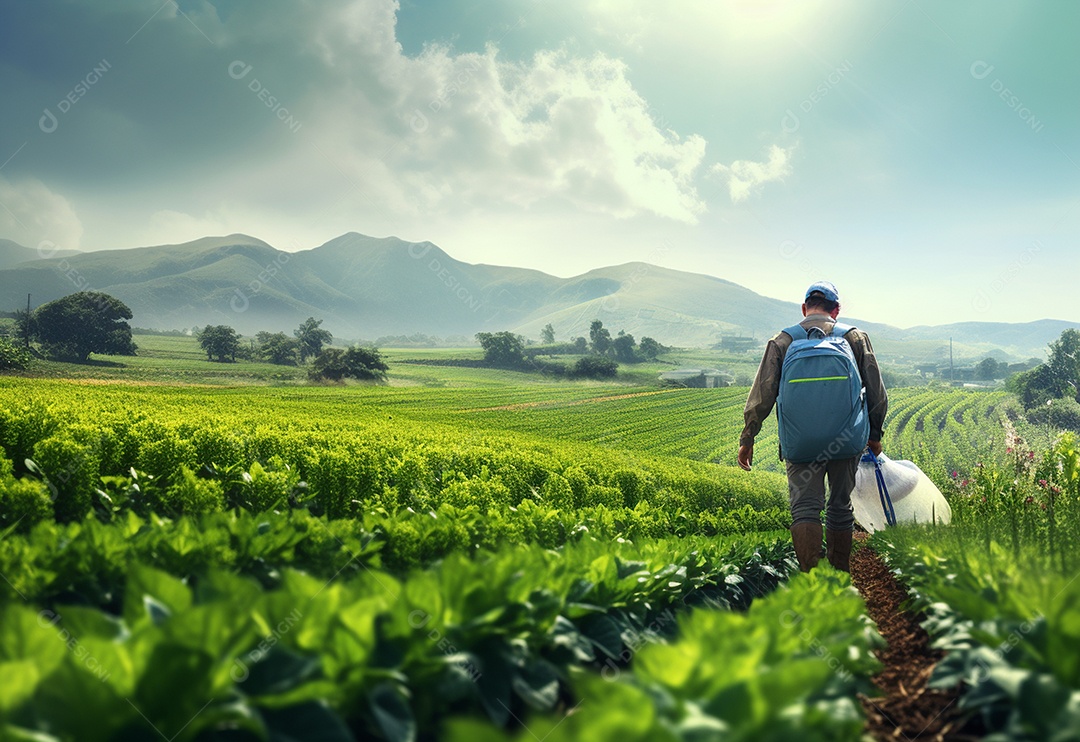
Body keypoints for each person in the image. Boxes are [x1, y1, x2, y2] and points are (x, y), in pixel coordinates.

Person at [737, 281, 888, 572]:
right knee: (840, 506)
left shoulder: (782, 341)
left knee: (805, 508)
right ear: (837, 310)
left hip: (800, 442)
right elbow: (876, 390)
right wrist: (875, 434)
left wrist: (749, 437)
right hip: (847, 439)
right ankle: (840, 574)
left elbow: (762, 394)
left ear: (805, 308)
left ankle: (812, 577)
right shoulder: (855, 338)